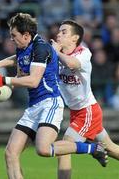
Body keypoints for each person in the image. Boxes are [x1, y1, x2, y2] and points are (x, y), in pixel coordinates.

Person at [0, 13, 107, 179]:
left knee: (43, 149)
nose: (11, 39)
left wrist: (3, 80)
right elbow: (18, 58)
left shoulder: (41, 48)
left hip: (50, 103)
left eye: (14, 35)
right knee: (11, 153)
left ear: (26, 35)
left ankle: (93, 148)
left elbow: (34, 81)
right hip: (34, 106)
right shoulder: (24, 46)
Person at [51, 20, 119, 179]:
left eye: (64, 32)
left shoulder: (83, 52)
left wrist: (56, 53)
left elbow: (72, 63)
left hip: (88, 111)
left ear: (74, 38)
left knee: (64, 148)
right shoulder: (55, 53)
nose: (58, 34)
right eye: (59, 31)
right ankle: (97, 149)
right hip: (77, 112)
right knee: (111, 148)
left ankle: (94, 149)